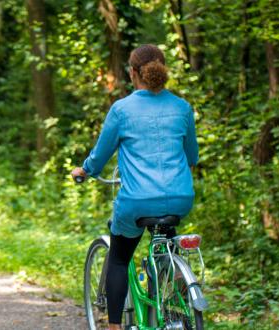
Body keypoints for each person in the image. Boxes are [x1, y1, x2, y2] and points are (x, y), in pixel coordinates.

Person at [70, 44, 199, 330]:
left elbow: (100, 156)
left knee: (118, 258)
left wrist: (85, 170)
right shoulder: (182, 108)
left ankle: (115, 326)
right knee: (165, 236)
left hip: (137, 201)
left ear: (133, 73)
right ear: (163, 71)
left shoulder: (122, 110)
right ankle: (173, 283)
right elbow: (192, 157)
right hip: (180, 198)